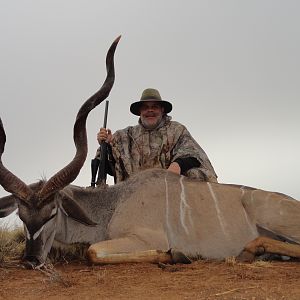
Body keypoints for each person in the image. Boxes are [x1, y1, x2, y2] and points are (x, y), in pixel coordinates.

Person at [97, 88, 217, 183]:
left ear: (162, 110)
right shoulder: (124, 136)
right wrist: (107, 145)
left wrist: (177, 166)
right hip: (134, 196)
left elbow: (194, 156)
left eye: (154, 107)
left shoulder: (177, 130)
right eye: (145, 107)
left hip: (169, 191)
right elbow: (112, 169)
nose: (150, 110)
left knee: (194, 174)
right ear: (140, 112)